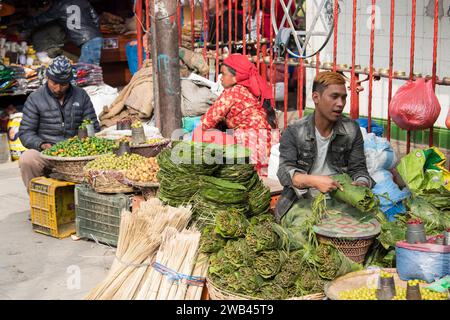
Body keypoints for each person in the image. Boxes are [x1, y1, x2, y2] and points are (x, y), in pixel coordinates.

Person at [275, 71, 374, 222]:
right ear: (316, 97)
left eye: (343, 97)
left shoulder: (352, 129)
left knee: (371, 228)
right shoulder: (295, 131)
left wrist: (360, 184)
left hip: (341, 201)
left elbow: (358, 169)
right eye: (334, 97)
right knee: (310, 232)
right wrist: (314, 181)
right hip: (302, 203)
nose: (340, 103)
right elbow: (284, 172)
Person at [18, 55, 100, 190]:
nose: (58, 88)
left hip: (76, 155)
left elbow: (93, 127)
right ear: (47, 78)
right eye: (54, 83)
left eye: (63, 84)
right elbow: (26, 132)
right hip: (47, 153)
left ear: (69, 82)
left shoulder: (81, 95)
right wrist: (42, 144)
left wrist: (84, 145)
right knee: (27, 159)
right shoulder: (35, 98)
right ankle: (38, 199)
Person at [193, 53, 279, 175]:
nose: (220, 77)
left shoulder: (233, 92)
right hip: (269, 156)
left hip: (252, 155)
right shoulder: (253, 90)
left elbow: (204, 124)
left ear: (236, 77)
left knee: (199, 134)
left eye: (223, 73)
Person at [23, 0, 103, 65]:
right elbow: (96, 19)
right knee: (90, 69)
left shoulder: (60, 5)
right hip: (94, 37)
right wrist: (95, 34)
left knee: (87, 69)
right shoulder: (84, 1)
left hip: (86, 39)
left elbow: (44, 18)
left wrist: (24, 25)